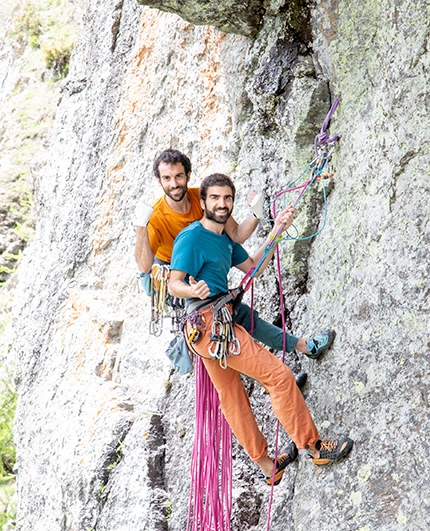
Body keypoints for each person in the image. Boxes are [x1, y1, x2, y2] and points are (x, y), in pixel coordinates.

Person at [168, 173, 353, 483]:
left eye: (227, 198)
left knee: (232, 398)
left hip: (213, 325)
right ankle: (314, 447)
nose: (222, 204)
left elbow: (253, 266)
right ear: (202, 202)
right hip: (213, 324)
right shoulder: (191, 238)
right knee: (279, 377)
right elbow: (174, 283)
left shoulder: (224, 240)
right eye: (214, 198)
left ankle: (268, 467)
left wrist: (277, 231)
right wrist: (193, 290)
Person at [134, 149, 334, 359]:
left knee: (239, 315)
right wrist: (141, 226)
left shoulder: (203, 200)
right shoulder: (158, 217)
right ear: (159, 181)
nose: (174, 183)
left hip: (205, 264)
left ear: (188, 175)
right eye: (167, 178)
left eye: (178, 176)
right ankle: (282, 369)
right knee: (229, 320)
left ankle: (288, 362)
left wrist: (257, 215)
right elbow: (145, 267)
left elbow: (237, 235)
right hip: (179, 279)